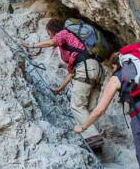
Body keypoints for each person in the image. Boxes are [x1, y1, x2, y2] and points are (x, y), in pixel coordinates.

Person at [25, 18, 104, 149]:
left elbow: (52, 42)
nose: (49, 35)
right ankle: (95, 142)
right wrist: (60, 87)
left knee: (76, 106)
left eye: (48, 32)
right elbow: (72, 72)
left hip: (86, 68)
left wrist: (32, 45)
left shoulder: (62, 33)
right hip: (97, 70)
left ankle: (93, 137)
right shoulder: (75, 45)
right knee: (87, 109)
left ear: (51, 30)